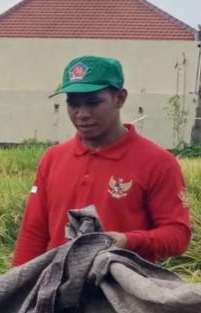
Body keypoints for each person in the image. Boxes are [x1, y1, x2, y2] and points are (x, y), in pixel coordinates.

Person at [11, 56, 191, 266]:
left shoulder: (158, 162)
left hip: (123, 283)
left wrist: (128, 241)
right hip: (58, 281)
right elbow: (33, 233)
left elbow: (178, 235)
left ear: (120, 98)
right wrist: (16, 282)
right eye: (73, 104)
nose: (82, 114)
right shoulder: (53, 158)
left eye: (93, 103)